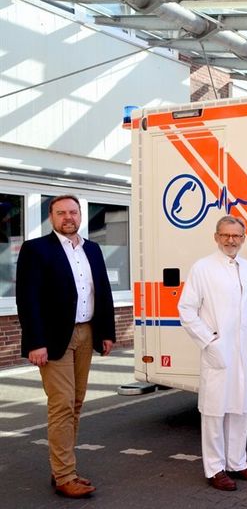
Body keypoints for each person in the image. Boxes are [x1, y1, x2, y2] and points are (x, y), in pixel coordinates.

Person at [17, 195, 116, 499]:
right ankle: (64, 475)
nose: (68, 217)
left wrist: (107, 332)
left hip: (87, 334)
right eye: (61, 213)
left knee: (75, 403)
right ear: (51, 217)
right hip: (53, 338)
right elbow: (27, 298)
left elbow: (103, 291)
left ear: (80, 215)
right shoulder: (36, 249)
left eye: (73, 212)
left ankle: (61, 466)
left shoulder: (93, 249)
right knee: (61, 405)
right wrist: (35, 342)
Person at [178, 215, 247, 491]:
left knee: (240, 408)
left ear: (243, 238)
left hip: (243, 352)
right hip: (218, 350)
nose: (231, 240)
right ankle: (215, 469)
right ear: (216, 237)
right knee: (215, 411)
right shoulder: (202, 268)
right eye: (225, 235)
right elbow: (186, 310)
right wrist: (209, 341)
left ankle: (238, 462)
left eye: (236, 236)